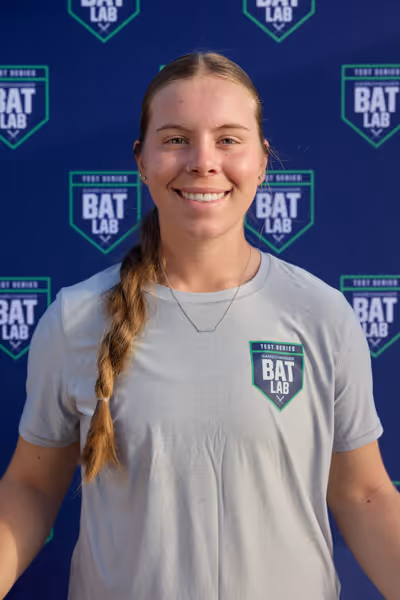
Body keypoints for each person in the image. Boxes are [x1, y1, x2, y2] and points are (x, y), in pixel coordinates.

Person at [0, 52, 384, 600]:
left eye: (228, 139)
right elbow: (31, 487)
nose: (203, 162)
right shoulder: (76, 317)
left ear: (262, 160)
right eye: (176, 139)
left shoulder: (321, 314)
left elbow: (364, 495)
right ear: (141, 160)